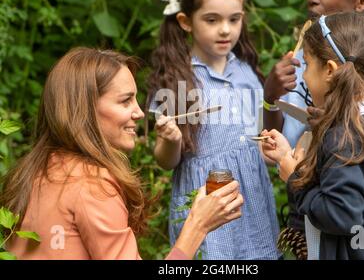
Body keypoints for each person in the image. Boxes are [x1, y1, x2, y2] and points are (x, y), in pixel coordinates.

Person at [0, 47, 243, 260]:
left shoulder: (33, 172)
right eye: (125, 101)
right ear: (84, 111)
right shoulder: (92, 185)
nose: (139, 112)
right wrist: (197, 226)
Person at [148, 0, 279, 259]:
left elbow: (258, 138)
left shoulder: (245, 71)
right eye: (211, 19)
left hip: (252, 201)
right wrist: (170, 140)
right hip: (207, 201)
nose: (225, 29)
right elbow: (166, 162)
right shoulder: (179, 79)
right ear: (185, 21)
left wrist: (268, 146)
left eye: (234, 19)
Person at [262, 0, 364, 259]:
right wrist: (270, 98)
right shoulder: (308, 56)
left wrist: (294, 178)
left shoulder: (351, 127)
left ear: (363, 1)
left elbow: (342, 212)